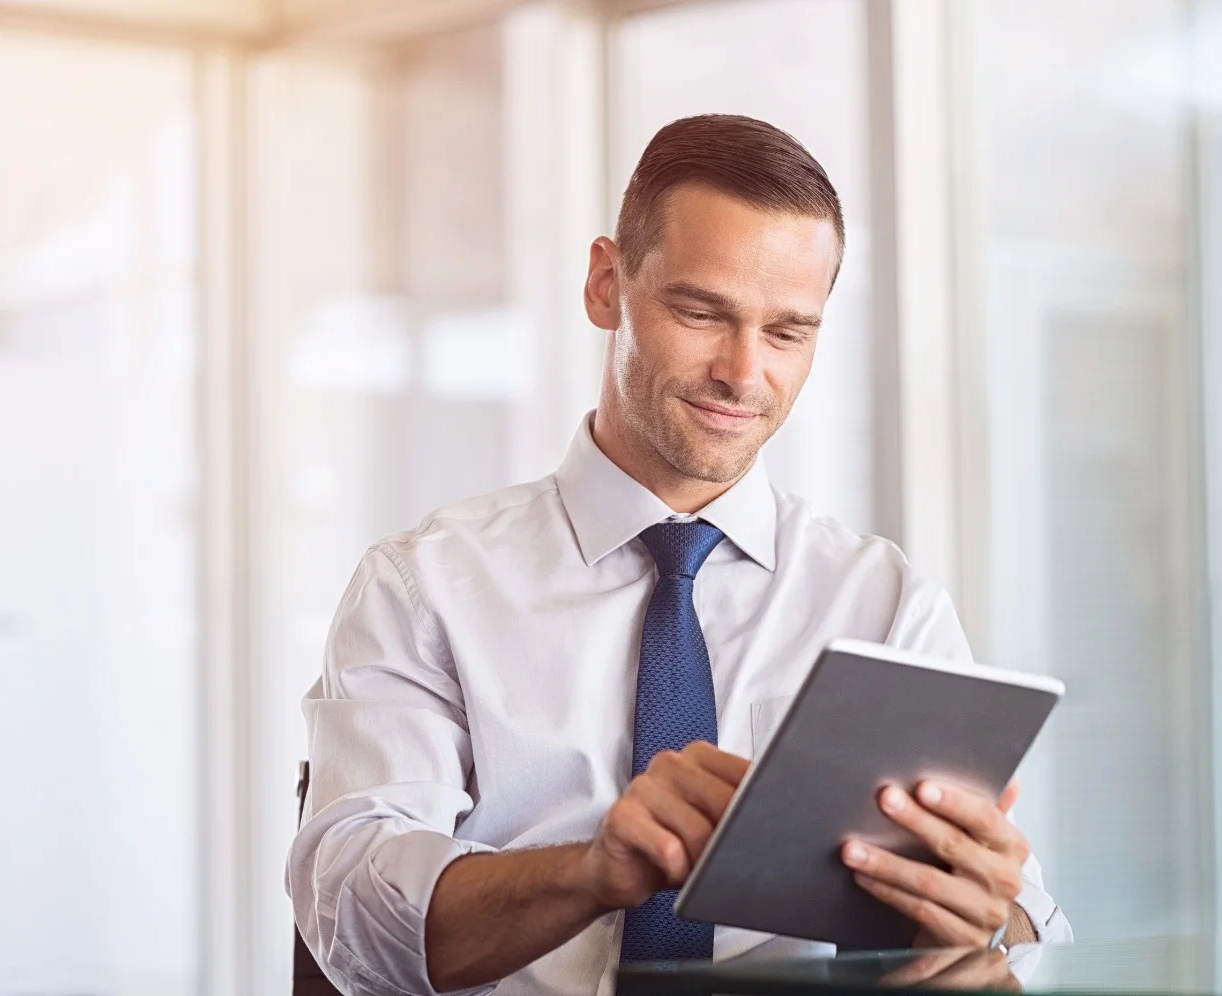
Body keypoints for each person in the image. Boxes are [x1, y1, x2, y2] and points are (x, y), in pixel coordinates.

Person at [286, 113, 1072, 996]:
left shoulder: (884, 600)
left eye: (787, 332)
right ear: (604, 285)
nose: (743, 373)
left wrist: (985, 908)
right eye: (701, 313)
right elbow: (351, 919)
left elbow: (1018, 922)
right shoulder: (422, 585)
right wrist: (591, 871)